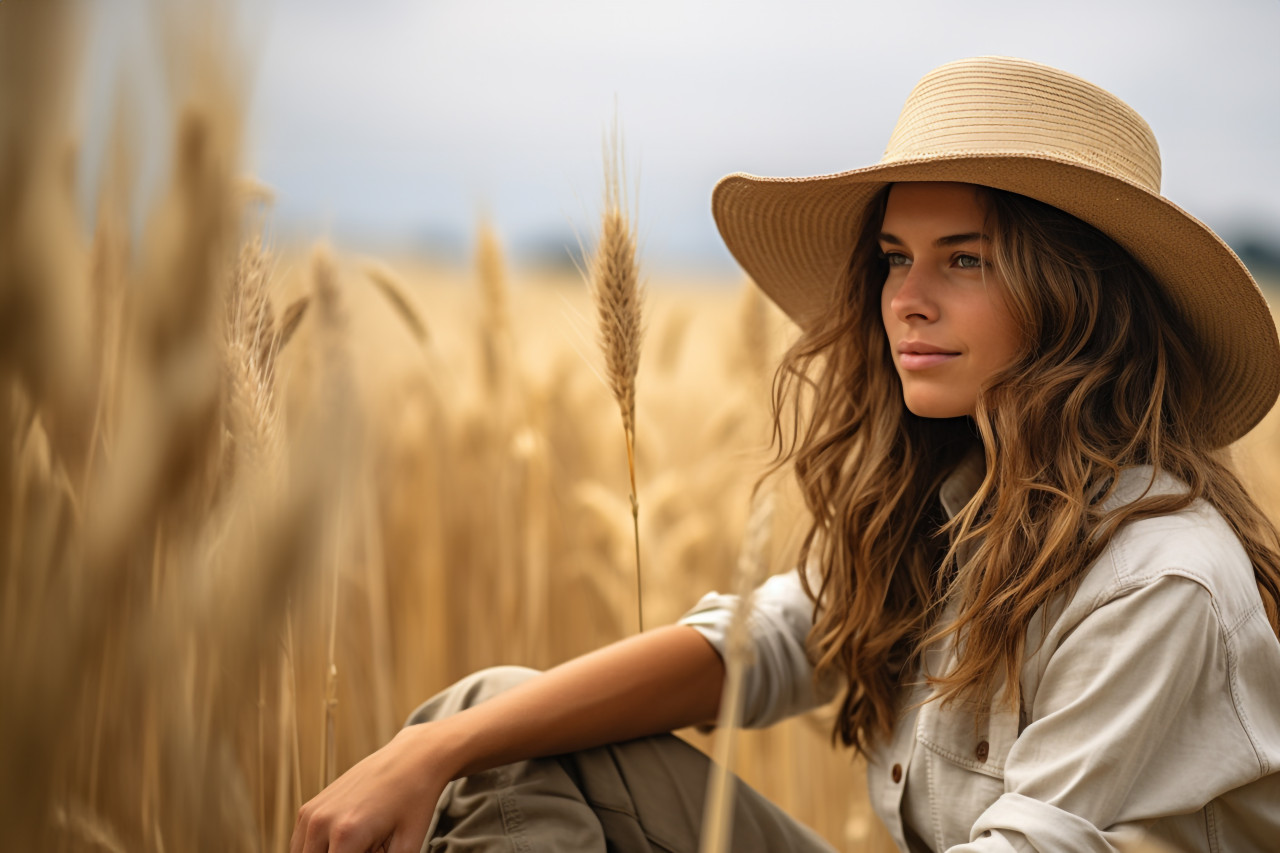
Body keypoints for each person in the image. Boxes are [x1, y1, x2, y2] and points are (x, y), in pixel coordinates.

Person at [290, 56, 1280, 853]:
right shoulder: (955, 510)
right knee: (491, 720)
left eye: (964, 259)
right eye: (894, 257)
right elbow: (752, 648)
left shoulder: (1160, 580)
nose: (905, 299)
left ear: (1079, 297)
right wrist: (431, 747)